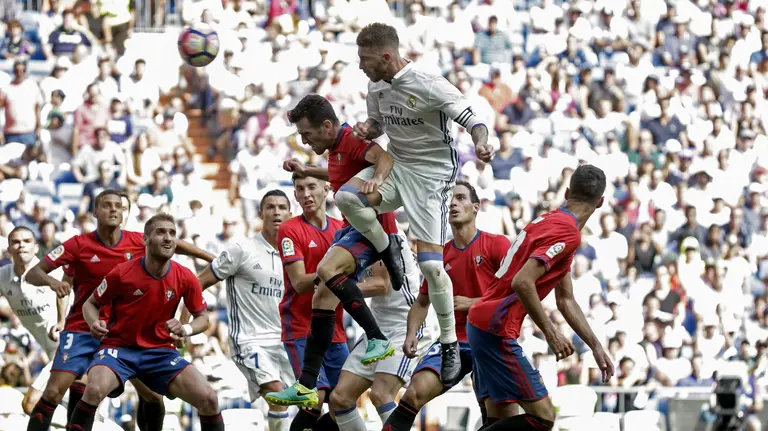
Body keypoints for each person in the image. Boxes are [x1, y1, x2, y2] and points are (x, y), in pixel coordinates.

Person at [339, 22, 494, 385]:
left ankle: (449, 342)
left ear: (386, 56)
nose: (361, 65)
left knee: (431, 267)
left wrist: (482, 143)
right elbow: (379, 123)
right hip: (397, 167)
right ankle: (388, 247)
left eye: (365, 59)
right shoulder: (376, 86)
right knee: (347, 197)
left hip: (431, 177)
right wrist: (368, 129)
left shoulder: (428, 83)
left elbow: (474, 120)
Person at [24, 189, 214, 431]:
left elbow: (176, 245)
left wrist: (214, 259)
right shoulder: (78, 244)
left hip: (123, 335)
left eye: (119, 206)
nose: (114, 209)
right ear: (94, 211)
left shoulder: (139, 241)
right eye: (107, 205)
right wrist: (54, 283)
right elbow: (33, 274)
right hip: (83, 328)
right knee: (55, 392)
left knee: (152, 397)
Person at [266, 94, 401, 407]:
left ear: (326, 126)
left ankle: (377, 338)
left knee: (327, 272)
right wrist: (306, 169)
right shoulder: (337, 149)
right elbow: (338, 175)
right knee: (322, 298)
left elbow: (384, 159)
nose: (305, 140)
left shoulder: (351, 139)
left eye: (307, 134)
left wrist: (377, 181)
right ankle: (306, 385)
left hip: (372, 228)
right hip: (354, 228)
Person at [466, 165, 615, 430]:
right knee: (543, 417)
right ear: (601, 202)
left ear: (567, 193)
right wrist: (551, 333)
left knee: (502, 418)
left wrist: (595, 346)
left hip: (482, 324)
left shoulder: (550, 221)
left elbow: (565, 300)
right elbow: (522, 281)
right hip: (496, 329)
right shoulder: (567, 232)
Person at [69, 213, 224, 431]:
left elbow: (203, 318)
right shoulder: (121, 273)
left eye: (172, 233)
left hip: (160, 353)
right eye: (160, 232)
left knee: (209, 399)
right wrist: (94, 323)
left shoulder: (185, 276)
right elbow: (90, 304)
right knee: (94, 390)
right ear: (145, 240)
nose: (168, 237)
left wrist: (185, 328)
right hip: (119, 349)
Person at [384, 181, 510, 431]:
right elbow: (422, 301)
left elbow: (515, 294)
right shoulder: (440, 256)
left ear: (476, 207)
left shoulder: (497, 244)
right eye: (449, 199)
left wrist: (473, 303)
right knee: (413, 394)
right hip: (453, 341)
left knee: (497, 416)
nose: (453, 203)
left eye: (461, 198)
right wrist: (411, 333)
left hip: (492, 339)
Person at [192, 189, 295, 431]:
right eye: (270, 207)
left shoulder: (295, 256)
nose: (276, 212)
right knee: (277, 395)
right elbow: (198, 283)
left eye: (282, 207)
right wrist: (189, 320)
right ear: (260, 213)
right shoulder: (242, 249)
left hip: (285, 340)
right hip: (250, 340)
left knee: (317, 401)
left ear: (290, 214)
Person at [271, 172, 348, 430]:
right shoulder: (289, 229)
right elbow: (300, 282)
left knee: (343, 403)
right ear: (294, 194)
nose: (306, 194)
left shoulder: (341, 229)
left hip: (335, 330)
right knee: (314, 399)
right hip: (301, 327)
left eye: (311, 186)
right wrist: (333, 273)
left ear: (326, 189)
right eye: (300, 189)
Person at [0, 226, 68, 414]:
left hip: (68, 348)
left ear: (36, 248)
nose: (21, 245)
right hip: (50, 352)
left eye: (27, 241)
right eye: (16, 242)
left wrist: (62, 320)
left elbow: (67, 293)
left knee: (30, 404)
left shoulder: (52, 272)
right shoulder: (3, 277)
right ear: (9, 249)